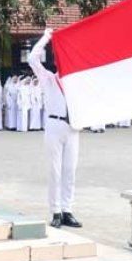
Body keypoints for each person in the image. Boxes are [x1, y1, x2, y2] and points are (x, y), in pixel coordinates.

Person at [28, 29, 82, 229]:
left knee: (70, 171)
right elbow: (33, 58)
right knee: (55, 171)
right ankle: (56, 211)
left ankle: (67, 210)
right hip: (54, 125)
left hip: (73, 127)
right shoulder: (48, 78)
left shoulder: (76, 83)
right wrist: (46, 37)